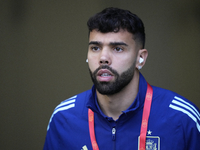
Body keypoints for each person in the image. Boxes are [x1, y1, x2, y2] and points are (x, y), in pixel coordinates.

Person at [43, 7, 200, 150]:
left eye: (117, 48)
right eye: (95, 48)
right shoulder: (64, 118)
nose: (103, 58)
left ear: (141, 58)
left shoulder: (183, 119)